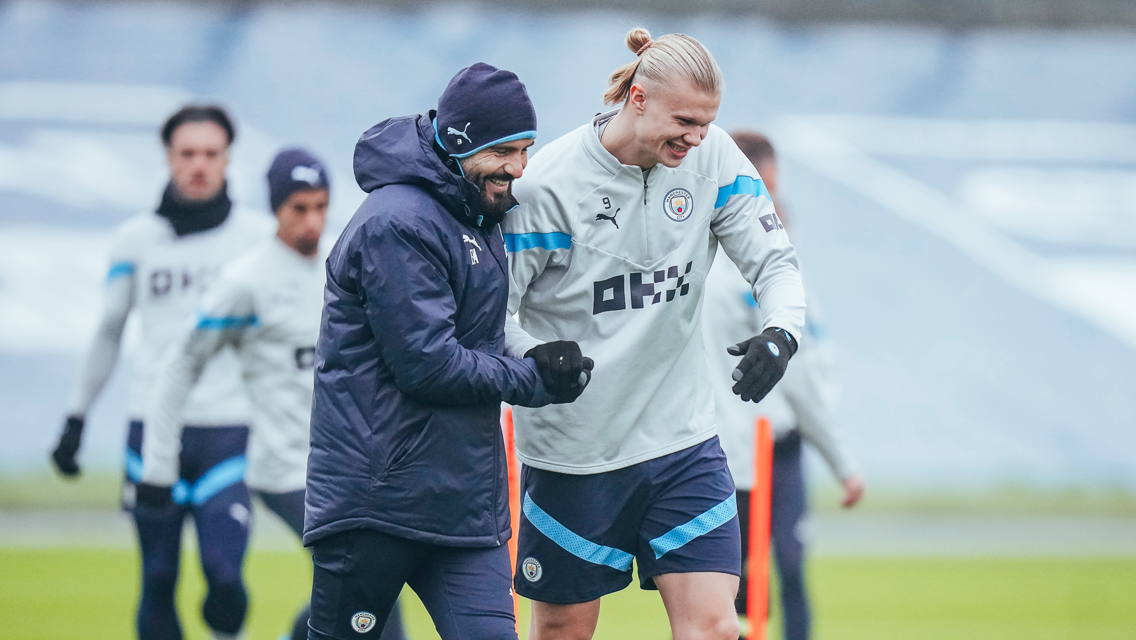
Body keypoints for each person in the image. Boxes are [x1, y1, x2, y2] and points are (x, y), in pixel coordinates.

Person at [503, 29, 806, 640]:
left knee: (718, 628)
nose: (697, 136)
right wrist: (533, 354)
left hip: (682, 445)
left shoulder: (714, 158)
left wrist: (781, 334)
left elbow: (775, 262)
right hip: (574, 457)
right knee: (562, 631)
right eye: (686, 120)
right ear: (637, 98)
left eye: (707, 122)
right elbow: (489, 316)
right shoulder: (546, 188)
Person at [304, 62, 590, 640]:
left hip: (462, 505)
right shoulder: (397, 222)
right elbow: (428, 365)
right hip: (377, 503)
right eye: (504, 151)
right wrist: (534, 381)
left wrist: (540, 355)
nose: (518, 167)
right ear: (459, 143)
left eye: (526, 149)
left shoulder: (476, 210)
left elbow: (481, 335)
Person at [137, 148, 407, 640]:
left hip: (354, 466)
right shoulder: (246, 282)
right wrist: (157, 462)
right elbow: (180, 364)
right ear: (275, 208)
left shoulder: (345, 264)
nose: (312, 220)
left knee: (364, 592)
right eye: (298, 208)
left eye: (321, 206)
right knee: (372, 587)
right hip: (287, 468)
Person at [50, 105, 272, 640]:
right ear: (169, 158)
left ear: (228, 159)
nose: (199, 165)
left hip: (231, 430)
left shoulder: (261, 238)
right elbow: (108, 330)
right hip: (152, 431)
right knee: (157, 576)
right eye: (187, 153)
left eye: (210, 154)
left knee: (224, 575)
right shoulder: (136, 240)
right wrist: (76, 418)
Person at [703, 131, 865, 640]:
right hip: (729, 451)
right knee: (736, 591)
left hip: (779, 445)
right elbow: (791, 370)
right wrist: (843, 461)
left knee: (787, 570)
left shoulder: (780, 271)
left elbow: (815, 365)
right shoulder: (722, 271)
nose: (770, 203)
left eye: (774, 190)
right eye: (763, 187)